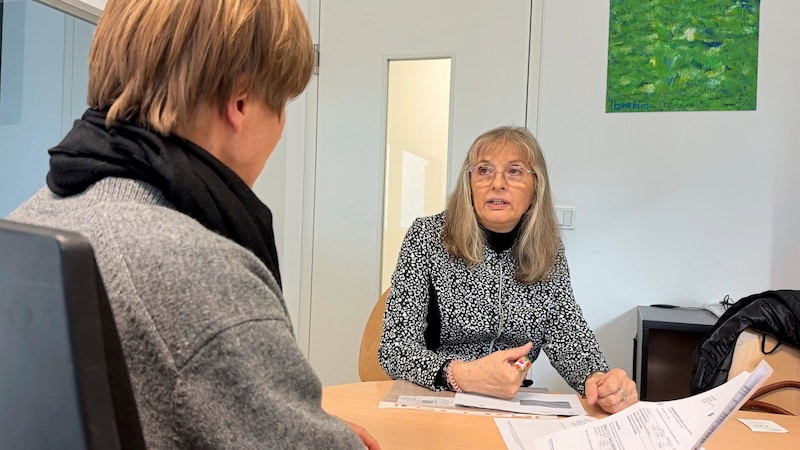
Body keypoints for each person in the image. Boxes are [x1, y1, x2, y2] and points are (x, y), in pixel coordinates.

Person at [8, 0, 378, 448]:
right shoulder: (198, 267)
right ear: (240, 102)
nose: (280, 128)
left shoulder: (33, 215)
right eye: (279, 104)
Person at [378, 126, 637, 414]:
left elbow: (567, 333)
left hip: (510, 406)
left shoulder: (547, 249)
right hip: (437, 398)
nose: (497, 183)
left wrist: (599, 379)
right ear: (469, 184)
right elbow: (395, 348)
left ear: (535, 187)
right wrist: (462, 375)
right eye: (484, 171)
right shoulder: (427, 237)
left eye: (514, 171)